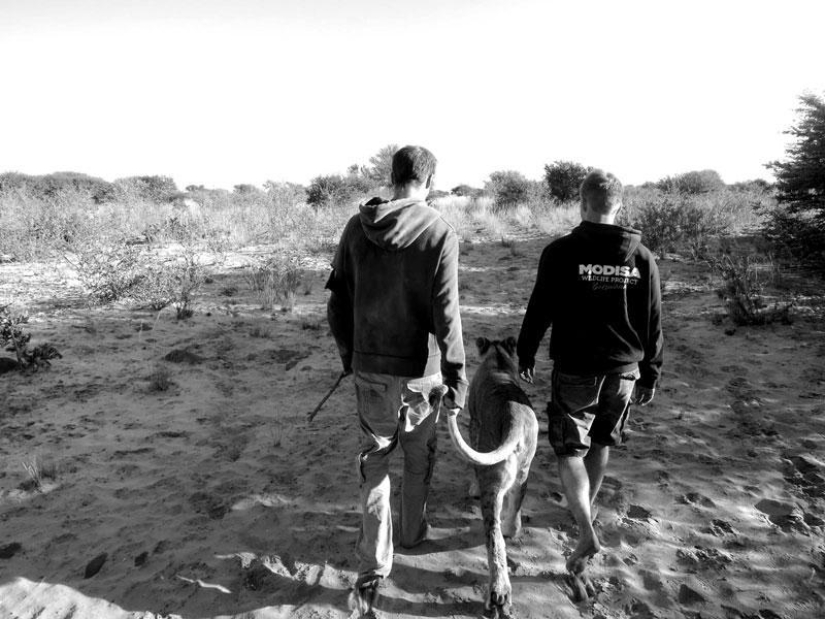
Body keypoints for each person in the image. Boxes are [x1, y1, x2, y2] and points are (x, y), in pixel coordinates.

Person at [326, 145, 467, 617]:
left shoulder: (357, 227)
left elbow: (336, 304)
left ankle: (373, 566)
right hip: (422, 374)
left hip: (370, 370)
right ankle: (411, 534)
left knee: (375, 463)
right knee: (418, 455)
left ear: (391, 178)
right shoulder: (439, 232)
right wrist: (457, 376)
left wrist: (349, 356)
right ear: (429, 182)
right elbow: (448, 315)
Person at [516, 169, 663, 589]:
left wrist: (526, 352)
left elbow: (540, 308)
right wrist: (651, 373)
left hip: (577, 369)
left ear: (582, 204)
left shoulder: (561, 252)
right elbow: (653, 321)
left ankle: (584, 527)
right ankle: (585, 508)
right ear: (619, 206)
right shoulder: (643, 257)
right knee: (600, 442)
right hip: (624, 372)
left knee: (569, 449)